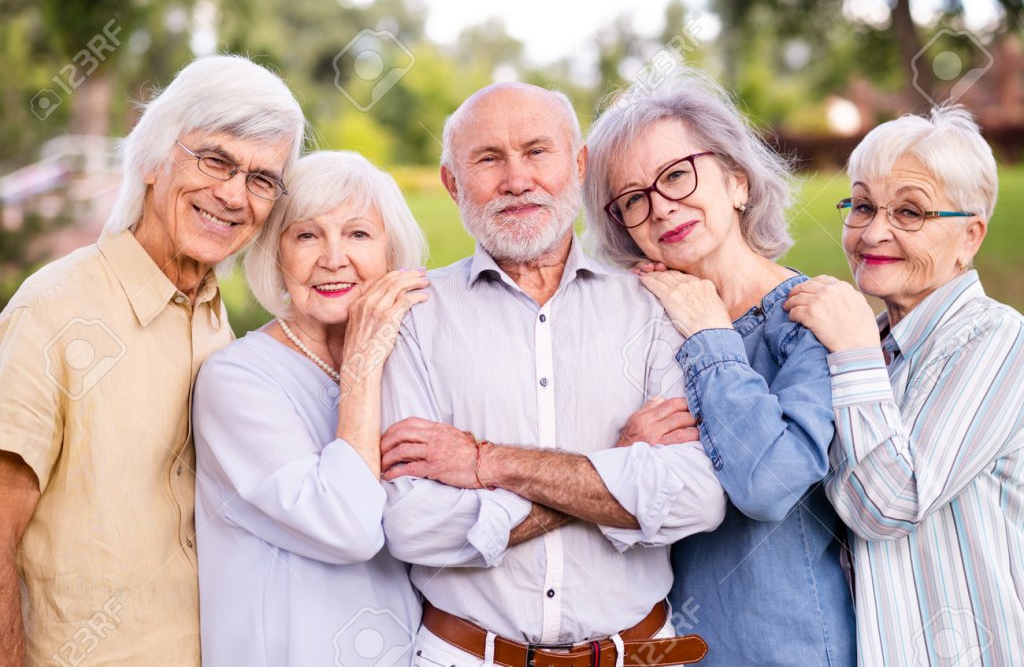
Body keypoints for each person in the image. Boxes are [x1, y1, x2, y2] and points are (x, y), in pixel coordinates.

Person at [378, 82, 727, 667]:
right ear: (451, 183)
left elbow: (697, 499)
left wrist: (486, 463)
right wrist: (613, 469)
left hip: (640, 654)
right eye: (488, 159)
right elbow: (411, 525)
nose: (517, 180)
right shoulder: (414, 313)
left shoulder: (651, 303)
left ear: (579, 163)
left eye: (537, 151)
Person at [0, 55, 305, 666]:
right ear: (150, 159)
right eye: (215, 159)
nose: (233, 195)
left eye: (261, 179)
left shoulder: (222, 322)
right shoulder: (53, 309)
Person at [582, 72, 855, 666]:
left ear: (736, 180)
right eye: (633, 199)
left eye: (677, 174)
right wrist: (626, 450)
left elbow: (771, 485)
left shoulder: (811, 318)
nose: (660, 208)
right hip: (671, 648)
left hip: (786, 649)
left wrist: (710, 335)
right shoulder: (641, 326)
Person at [784, 106, 1024, 666]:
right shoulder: (870, 347)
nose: (873, 232)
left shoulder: (999, 340)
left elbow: (887, 505)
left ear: (970, 236)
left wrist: (852, 353)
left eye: (909, 212)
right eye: (863, 205)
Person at [192, 150, 427, 667]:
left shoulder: (412, 365)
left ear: (392, 254)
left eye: (359, 234)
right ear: (276, 255)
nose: (333, 258)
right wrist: (362, 368)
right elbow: (349, 527)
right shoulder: (237, 379)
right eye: (306, 235)